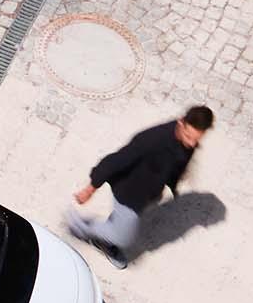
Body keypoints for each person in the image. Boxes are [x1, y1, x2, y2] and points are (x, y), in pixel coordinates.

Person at [69, 105, 213, 269]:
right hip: (127, 193)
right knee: (124, 237)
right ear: (181, 123)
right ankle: (80, 226)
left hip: (147, 194)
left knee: (120, 224)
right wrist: (91, 188)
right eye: (188, 136)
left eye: (196, 139)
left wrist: (172, 185)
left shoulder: (187, 143)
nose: (191, 143)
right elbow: (117, 160)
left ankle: (106, 240)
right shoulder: (152, 139)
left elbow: (177, 165)